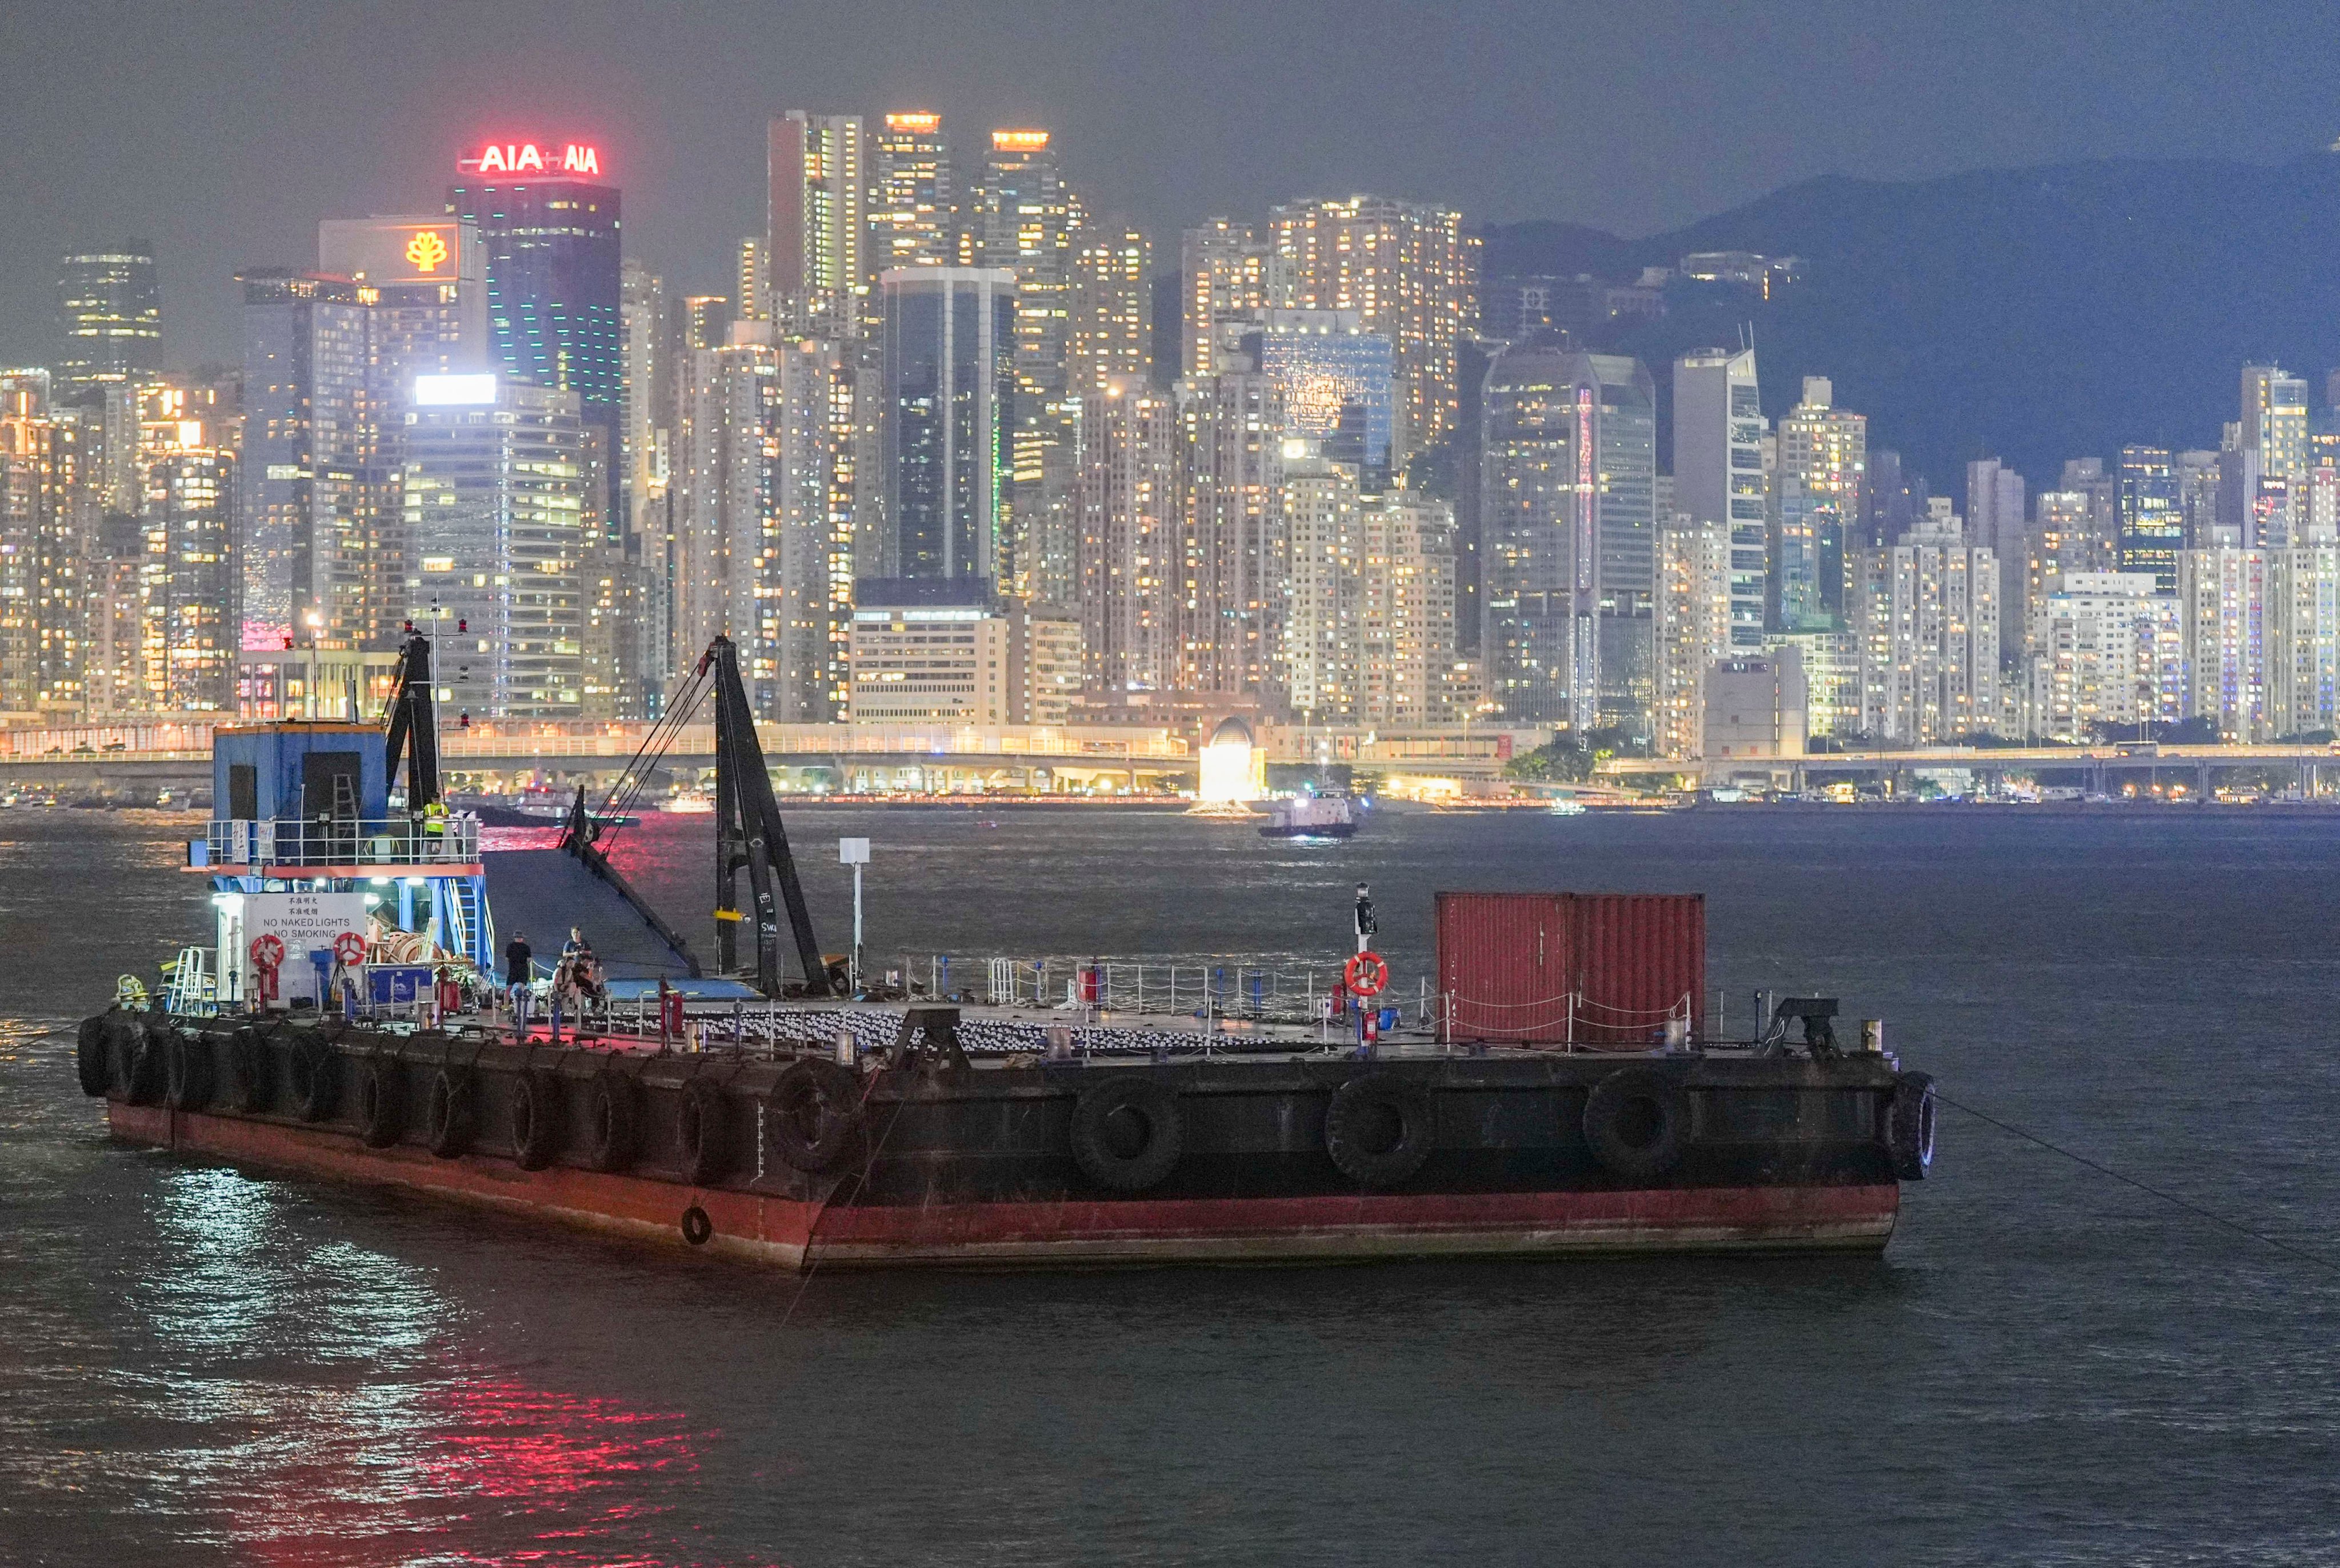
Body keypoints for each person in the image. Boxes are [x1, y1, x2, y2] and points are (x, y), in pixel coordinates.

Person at [504, 931, 533, 1036]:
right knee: (518, 989)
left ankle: (507, 1007)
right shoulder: (526, 948)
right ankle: (517, 1008)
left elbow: (507, 958)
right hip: (521, 971)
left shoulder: (510, 947)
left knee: (508, 989)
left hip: (513, 970)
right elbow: (529, 960)